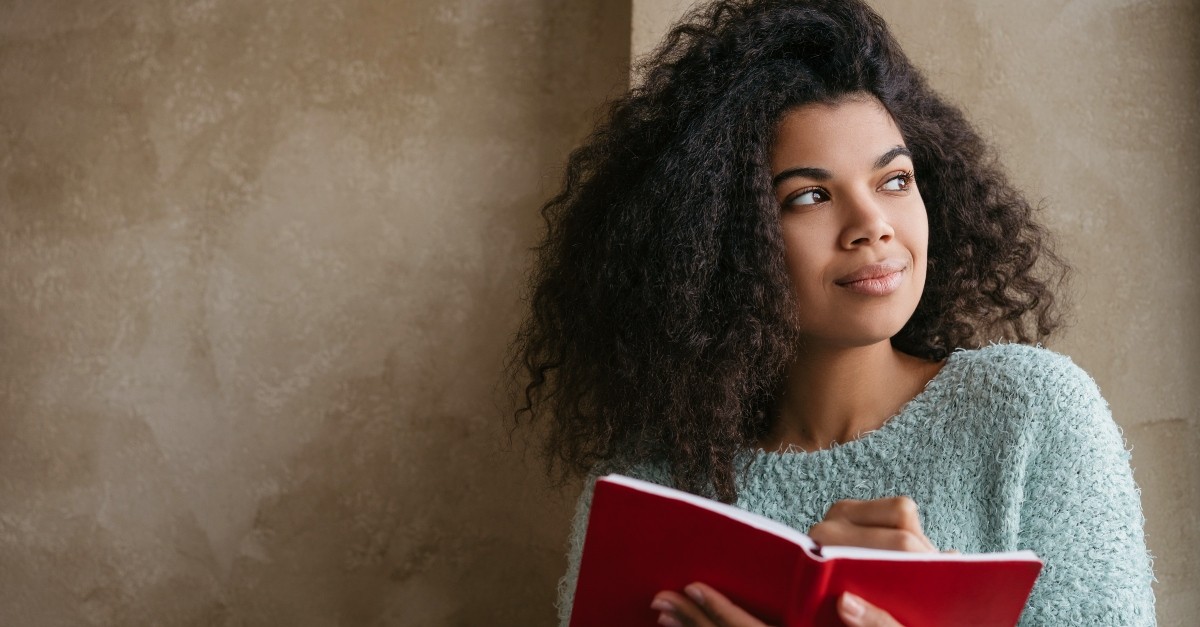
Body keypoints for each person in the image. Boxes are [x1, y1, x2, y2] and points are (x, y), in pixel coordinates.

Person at [508, 0, 1156, 625]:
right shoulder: (651, 480)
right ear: (720, 241)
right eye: (811, 195)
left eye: (895, 180)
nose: (872, 225)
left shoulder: (1030, 414)